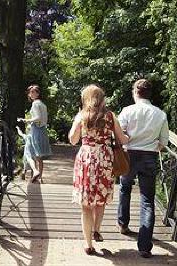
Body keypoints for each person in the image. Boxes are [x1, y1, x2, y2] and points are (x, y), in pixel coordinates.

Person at [69, 84, 128, 255]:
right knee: (100, 199)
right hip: (105, 159)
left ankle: (88, 245)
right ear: (102, 98)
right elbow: (122, 139)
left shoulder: (81, 116)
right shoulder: (110, 116)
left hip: (86, 158)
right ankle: (97, 229)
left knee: (86, 205)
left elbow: (73, 140)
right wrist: (130, 136)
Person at [117, 79, 169, 258]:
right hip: (149, 157)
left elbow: (119, 135)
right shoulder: (160, 114)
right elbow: (163, 142)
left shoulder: (127, 111)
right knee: (147, 199)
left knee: (124, 188)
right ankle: (145, 246)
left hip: (129, 155)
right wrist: (151, 148)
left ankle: (123, 223)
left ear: (135, 92)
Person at [17, 84, 52, 183]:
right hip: (42, 130)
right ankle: (40, 177)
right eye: (29, 92)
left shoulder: (35, 104)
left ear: (38, 93)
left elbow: (37, 118)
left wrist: (26, 120)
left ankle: (36, 172)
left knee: (29, 153)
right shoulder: (42, 104)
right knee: (38, 156)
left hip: (36, 130)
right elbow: (44, 118)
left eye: (33, 92)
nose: (30, 94)